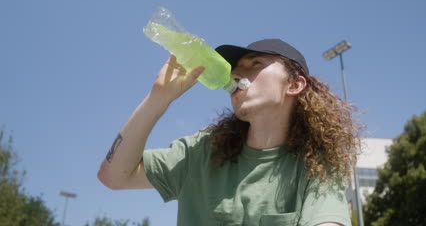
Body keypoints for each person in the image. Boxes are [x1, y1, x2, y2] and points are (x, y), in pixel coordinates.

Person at [98, 39, 362, 226]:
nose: (236, 74)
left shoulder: (316, 167)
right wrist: (158, 99)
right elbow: (113, 176)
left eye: (255, 63)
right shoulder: (201, 152)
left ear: (294, 84)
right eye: (235, 68)